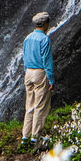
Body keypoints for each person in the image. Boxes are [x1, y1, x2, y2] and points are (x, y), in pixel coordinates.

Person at [21, 12, 54, 144]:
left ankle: (25, 136)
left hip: (28, 72)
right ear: (45, 24)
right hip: (39, 73)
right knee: (40, 105)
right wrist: (51, 79)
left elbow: (24, 57)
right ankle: (36, 136)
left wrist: (26, 72)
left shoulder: (27, 38)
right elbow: (47, 61)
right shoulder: (44, 39)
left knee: (29, 105)